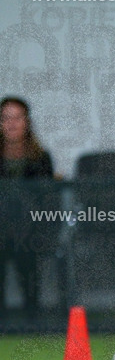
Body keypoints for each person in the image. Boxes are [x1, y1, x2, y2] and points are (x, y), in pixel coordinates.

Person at [0, 97, 54, 313]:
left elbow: (48, 199)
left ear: (27, 122)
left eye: (17, 118)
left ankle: (32, 319)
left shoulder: (40, 157)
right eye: (5, 118)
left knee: (27, 251)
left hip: (30, 231)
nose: (11, 124)